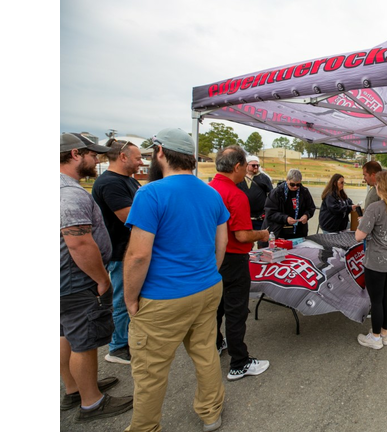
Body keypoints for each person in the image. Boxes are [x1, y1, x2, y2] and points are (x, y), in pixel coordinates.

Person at [123, 128, 229, 432]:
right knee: (206, 353)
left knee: (150, 370)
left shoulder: (150, 193)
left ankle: (145, 427)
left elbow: (138, 255)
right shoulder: (211, 192)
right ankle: (211, 413)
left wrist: (130, 298)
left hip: (164, 296)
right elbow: (221, 243)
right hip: (207, 287)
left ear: (160, 152)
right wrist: (208, 272)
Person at [60, 133, 133, 421]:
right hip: (75, 280)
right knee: (84, 342)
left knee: (65, 335)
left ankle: (75, 388)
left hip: (64, 280)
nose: (97, 159)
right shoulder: (70, 193)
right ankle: (92, 403)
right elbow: (79, 243)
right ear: (75, 154)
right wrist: (102, 279)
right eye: (92, 154)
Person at [209, 146, 271, 382]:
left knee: (216, 307)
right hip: (234, 259)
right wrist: (262, 234)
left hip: (211, 259)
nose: (247, 170)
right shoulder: (235, 195)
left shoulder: (208, 189)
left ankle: (216, 343)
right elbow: (243, 235)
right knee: (236, 311)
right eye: (246, 166)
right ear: (237, 167)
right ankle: (239, 363)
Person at [92, 138, 144, 365]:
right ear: (123, 157)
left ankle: (127, 340)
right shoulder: (110, 183)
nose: (141, 162)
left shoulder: (128, 180)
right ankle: (118, 347)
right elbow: (131, 217)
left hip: (129, 251)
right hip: (120, 253)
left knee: (129, 298)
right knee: (122, 300)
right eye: (138, 158)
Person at [354, 169, 387, 349]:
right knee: (386, 297)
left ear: (382, 187)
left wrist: (362, 223)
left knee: (376, 300)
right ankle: (384, 333)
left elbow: (359, 236)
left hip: (377, 260)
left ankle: (376, 337)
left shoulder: (375, 207)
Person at [264, 169, 316, 239]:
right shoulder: (276, 193)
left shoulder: (304, 191)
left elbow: (311, 207)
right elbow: (270, 212)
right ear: (287, 180)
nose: (295, 187)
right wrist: (286, 218)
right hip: (280, 231)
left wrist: (306, 215)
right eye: (292, 184)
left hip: (299, 231)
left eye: (298, 185)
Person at [237, 155, 273, 248]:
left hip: (260, 217)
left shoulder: (264, 178)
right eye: (253, 165)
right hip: (244, 217)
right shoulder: (239, 177)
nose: (256, 167)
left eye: (257, 165)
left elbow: (271, 195)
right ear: (247, 165)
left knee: (263, 242)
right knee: (246, 243)